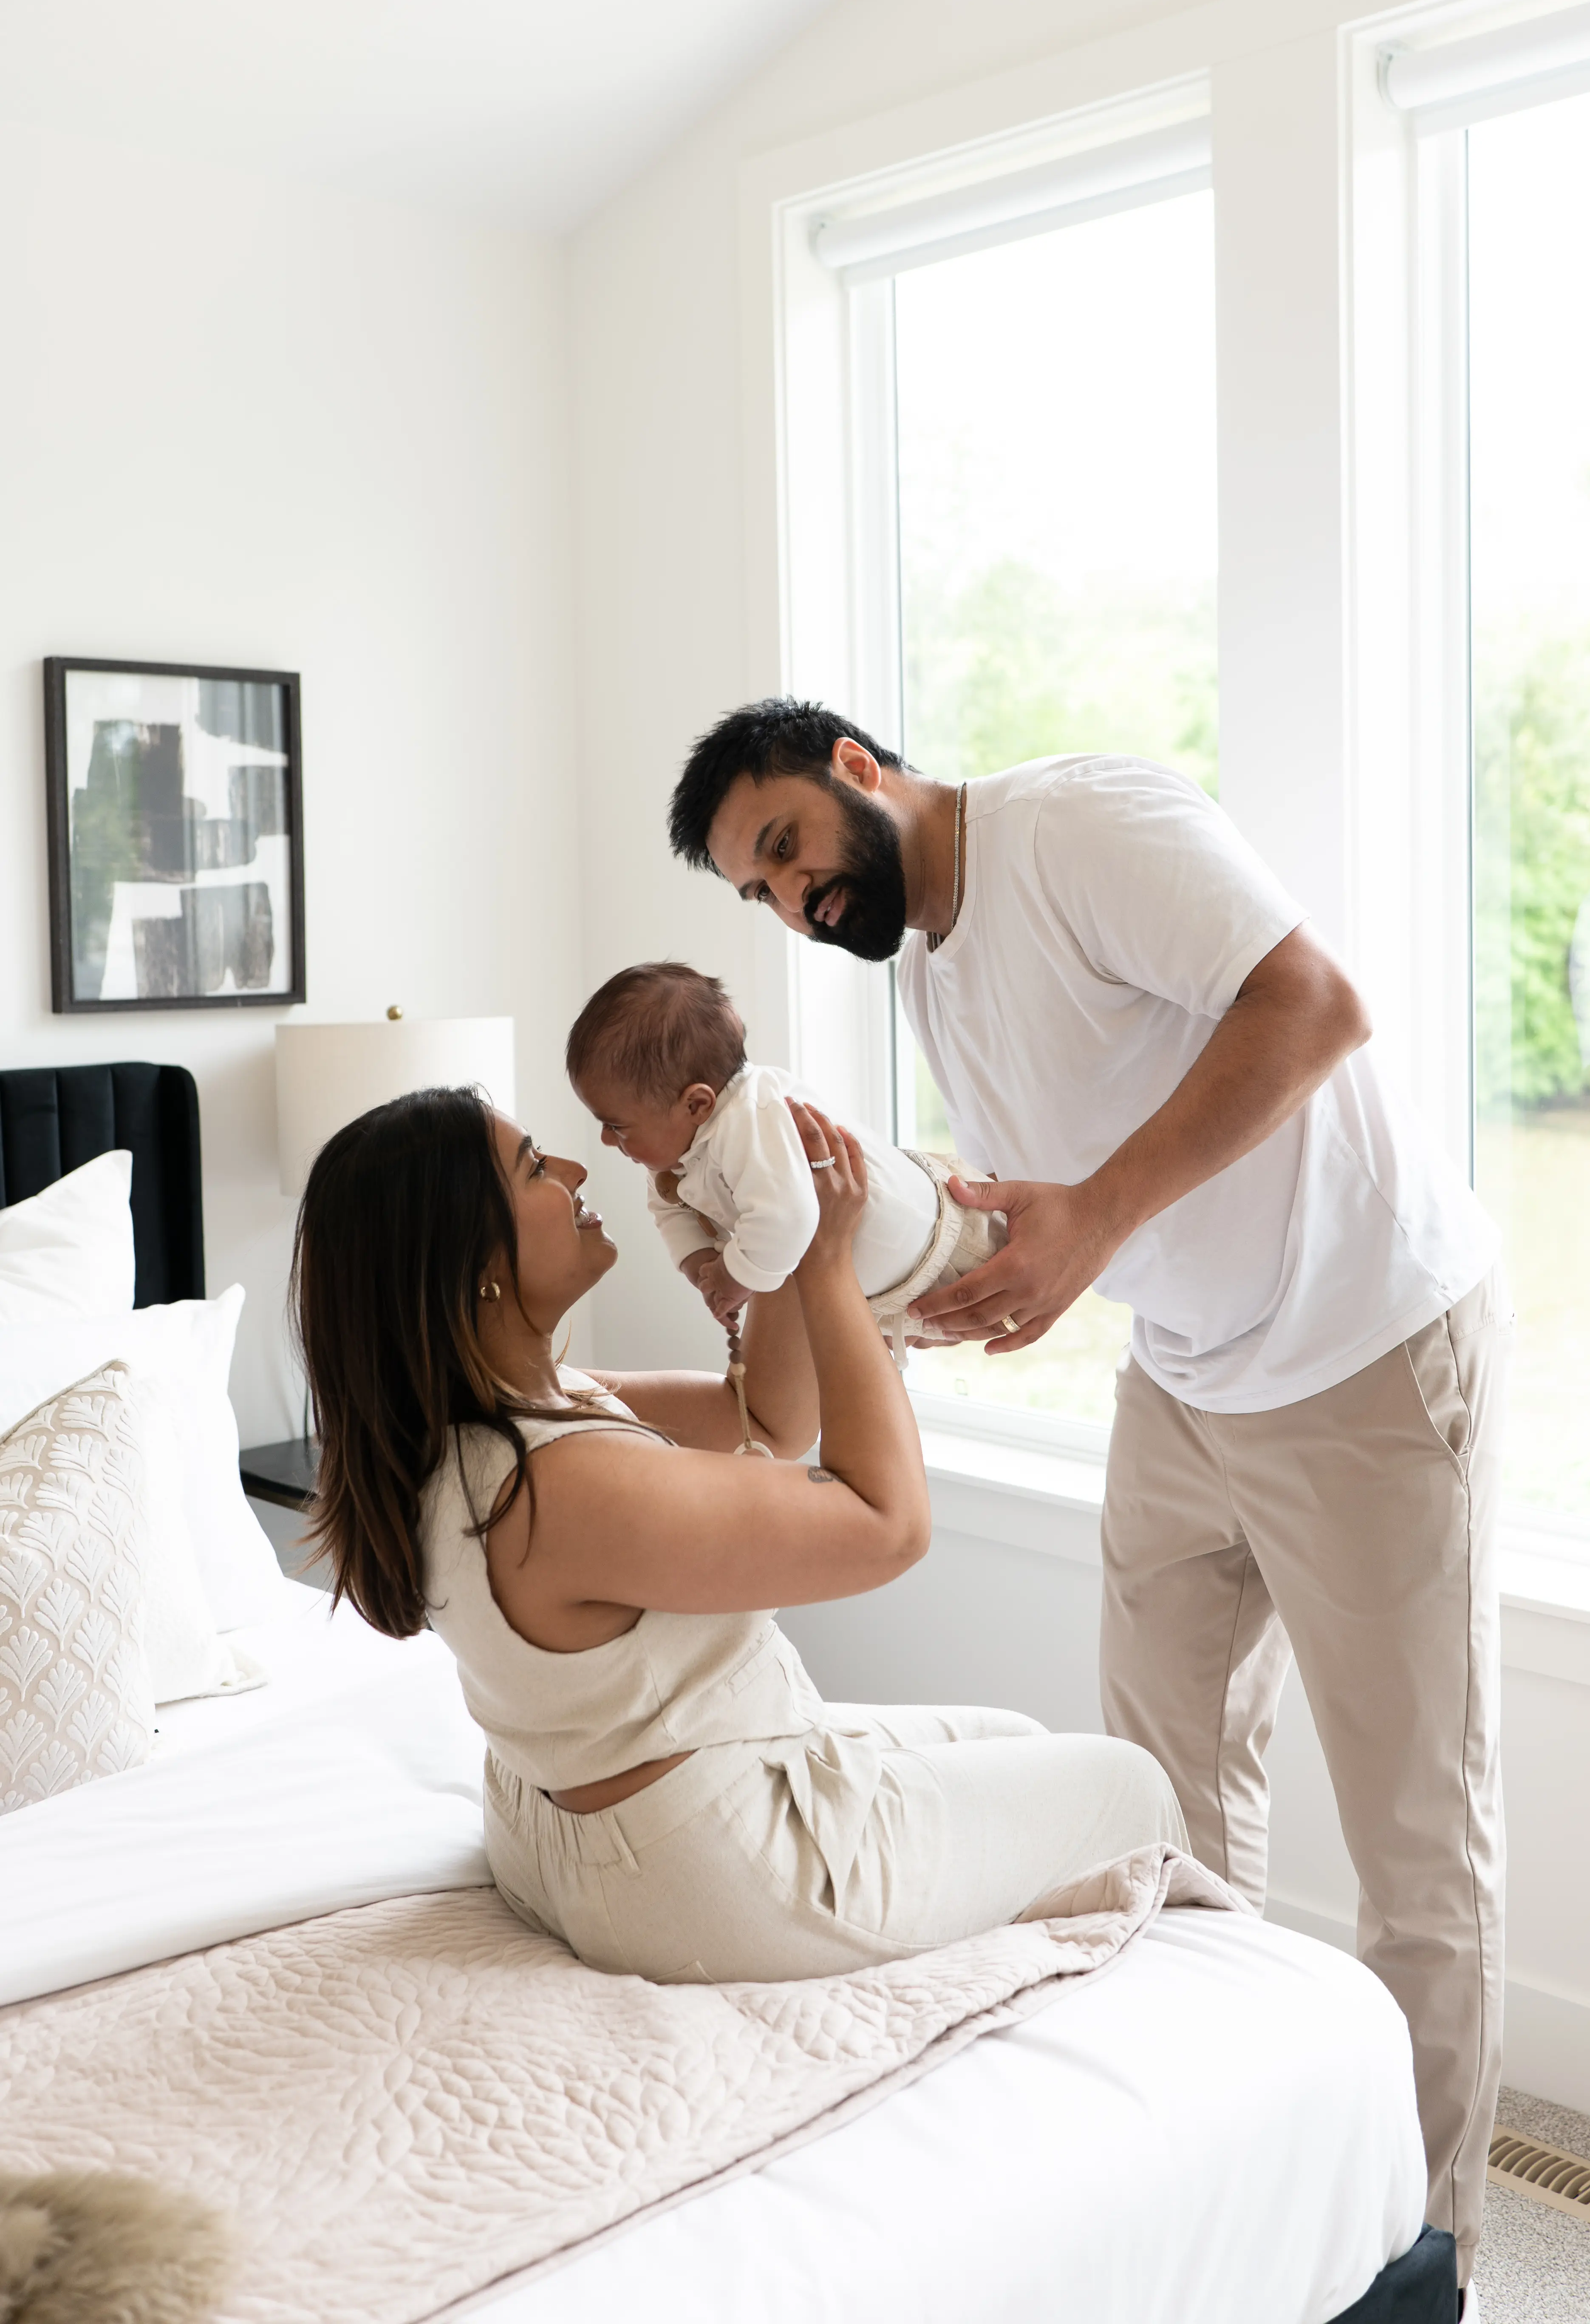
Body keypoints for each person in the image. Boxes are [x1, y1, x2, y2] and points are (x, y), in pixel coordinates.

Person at [669, 695, 1508, 2297]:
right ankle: (1248, 2199)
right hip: (1186, 1381)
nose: (793, 899)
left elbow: (1317, 1004)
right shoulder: (927, 970)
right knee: (1165, 1822)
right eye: (759, 896)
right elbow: (1038, 1213)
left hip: (1368, 1358)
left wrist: (1096, 1221)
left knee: (1417, 1850)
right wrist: (863, 1269)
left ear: (856, 769)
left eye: (784, 847)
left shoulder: (1080, 828)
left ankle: (1423, 2262)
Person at [289, 1083, 1185, 1986]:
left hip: (574, 1839)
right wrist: (836, 1269)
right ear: (475, 1263)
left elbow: (760, 1413)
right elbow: (887, 1525)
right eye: (531, 1168)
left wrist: (785, 1230)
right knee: (1132, 1787)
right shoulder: (556, 1484)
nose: (572, 1168)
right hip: (708, 1880)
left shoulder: (483, 1422)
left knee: (1015, 1734)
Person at [566, 958, 1005, 1359]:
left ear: (696, 1104)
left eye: (617, 1126)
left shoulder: (749, 1119)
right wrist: (700, 1264)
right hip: (888, 1288)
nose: (606, 1139)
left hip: (944, 1240)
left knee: (1011, 1289)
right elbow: (668, 1211)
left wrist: (733, 1277)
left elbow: (786, 1219)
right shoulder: (676, 1154)